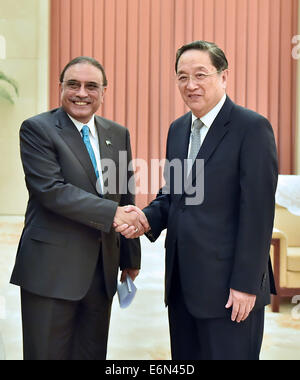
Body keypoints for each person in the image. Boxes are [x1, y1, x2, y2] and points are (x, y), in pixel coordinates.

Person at [116, 41, 278, 360]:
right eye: (182, 77)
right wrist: (147, 218)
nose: (191, 85)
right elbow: (174, 195)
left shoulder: (251, 128)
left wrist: (245, 284)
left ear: (223, 76)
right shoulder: (178, 130)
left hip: (231, 292)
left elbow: (258, 214)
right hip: (182, 287)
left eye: (200, 75)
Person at [10, 56, 141, 360]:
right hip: (50, 273)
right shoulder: (37, 129)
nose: (82, 93)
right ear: (61, 88)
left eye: (91, 86)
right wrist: (112, 215)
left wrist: (130, 257)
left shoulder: (117, 134)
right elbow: (51, 191)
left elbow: (125, 194)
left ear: (103, 92)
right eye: (73, 84)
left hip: (101, 273)